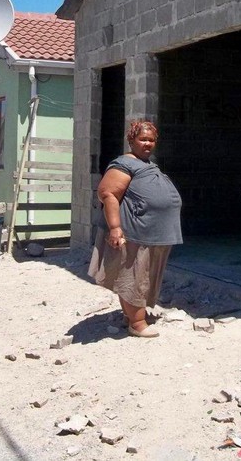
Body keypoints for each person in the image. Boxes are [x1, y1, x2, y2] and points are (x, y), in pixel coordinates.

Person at [88, 120, 183, 337]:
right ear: (131, 140)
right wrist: (115, 228)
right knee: (132, 278)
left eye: (151, 140)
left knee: (142, 278)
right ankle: (137, 324)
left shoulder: (147, 164)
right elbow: (108, 194)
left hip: (151, 235)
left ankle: (131, 315)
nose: (148, 143)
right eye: (143, 139)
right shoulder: (124, 164)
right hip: (133, 233)